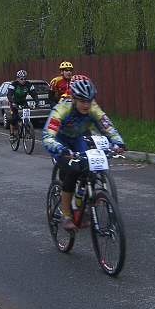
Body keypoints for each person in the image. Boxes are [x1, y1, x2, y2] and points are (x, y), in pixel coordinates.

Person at [42, 75, 126, 230]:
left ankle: (82, 202)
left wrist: (117, 142)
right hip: (60, 142)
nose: (86, 105)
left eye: (89, 100)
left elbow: (106, 126)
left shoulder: (93, 109)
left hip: (77, 139)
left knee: (90, 168)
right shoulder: (62, 108)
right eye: (82, 101)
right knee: (73, 170)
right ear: (73, 98)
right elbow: (47, 136)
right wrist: (60, 149)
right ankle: (66, 214)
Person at [7, 70, 39, 140]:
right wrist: (12, 102)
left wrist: (37, 102)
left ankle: (26, 127)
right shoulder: (13, 85)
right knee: (14, 118)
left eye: (25, 79)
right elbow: (9, 95)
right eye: (21, 79)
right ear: (18, 79)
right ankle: (12, 134)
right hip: (13, 101)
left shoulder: (28, 84)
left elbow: (34, 94)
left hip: (22, 101)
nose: (23, 80)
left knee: (26, 116)